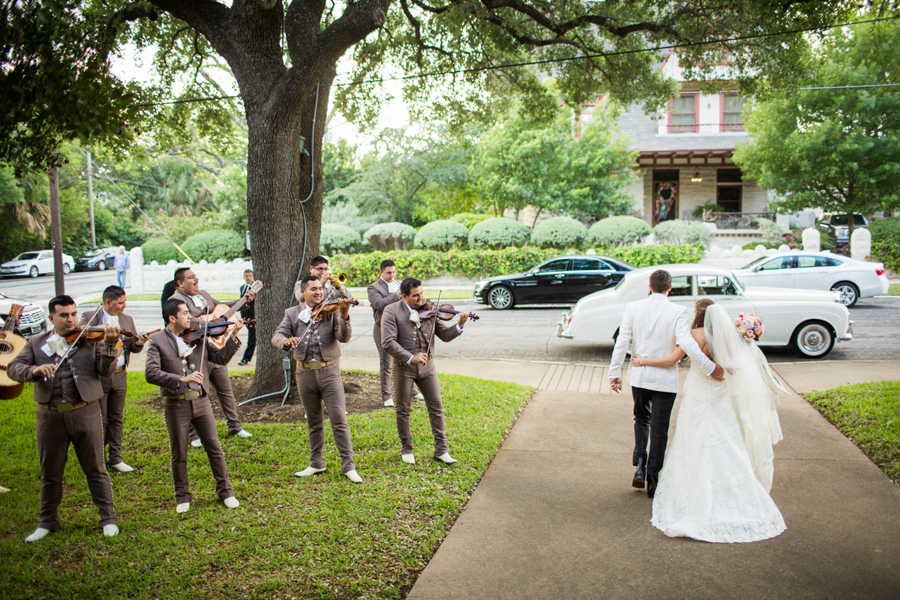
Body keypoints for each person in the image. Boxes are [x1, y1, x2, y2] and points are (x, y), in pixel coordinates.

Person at [636, 300, 786, 543]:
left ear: (698, 313)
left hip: (696, 390)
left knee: (692, 437)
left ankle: (693, 490)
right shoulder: (724, 337)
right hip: (718, 392)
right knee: (724, 438)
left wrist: (642, 361)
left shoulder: (692, 335)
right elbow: (732, 369)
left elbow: (672, 359)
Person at [7, 295, 121, 542]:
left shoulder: (90, 340)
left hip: (85, 411)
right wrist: (34, 370)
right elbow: (13, 368)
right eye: (64, 315)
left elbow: (106, 371)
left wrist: (110, 345)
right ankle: (47, 521)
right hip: (50, 416)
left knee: (96, 468)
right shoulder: (36, 342)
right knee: (50, 471)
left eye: (73, 314)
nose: (71, 320)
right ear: (51, 318)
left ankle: (108, 518)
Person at [608, 269, 724, 498]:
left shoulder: (633, 308)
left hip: (640, 377)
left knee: (641, 419)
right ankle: (653, 478)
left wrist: (614, 372)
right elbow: (687, 343)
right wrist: (710, 368)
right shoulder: (678, 311)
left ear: (650, 286)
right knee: (659, 429)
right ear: (670, 288)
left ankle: (640, 466)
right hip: (664, 381)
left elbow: (622, 341)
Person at [145, 299, 243, 514]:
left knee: (215, 448)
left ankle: (226, 491)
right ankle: (182, 495)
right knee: (179, 451)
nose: (191, 317)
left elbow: (220, 358)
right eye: (185, 314)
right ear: (172, 318)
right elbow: (151, 373)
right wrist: (180, 379)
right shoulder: (157, 341)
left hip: (201, 401)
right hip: (176, 405)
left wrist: (233, 335)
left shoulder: (199, 337)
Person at [271, 275, 362, 483]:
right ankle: (316, 462)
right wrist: (286, 342)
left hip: (329, 372)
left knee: (339, 418)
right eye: (313, 289)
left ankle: (348, 465)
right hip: (304, 373)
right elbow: (277, 336)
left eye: (320, 288)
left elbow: (344, 337)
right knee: (313, 421)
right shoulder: (292, 313)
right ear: (303, 292)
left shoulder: (332, 311)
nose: (319, 292)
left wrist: (344, 314)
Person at [381, 277, 467, 465]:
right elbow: (388, 342)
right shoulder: (391, 311)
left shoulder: (430, 309)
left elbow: (444, 335)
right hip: (404, 368)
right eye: (415, 296)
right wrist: (411, 357)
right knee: (403, 409)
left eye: (421, 293)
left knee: (436, 406)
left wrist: (459, 325)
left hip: (428, 367)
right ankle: (407, 448)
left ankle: (441, 450)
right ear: (404, 296)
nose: (421, 298)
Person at [170, 267, 253, 443]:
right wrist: (213, 323)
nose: (196, 280)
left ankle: (234, 426)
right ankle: (193, 434)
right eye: (191, 277)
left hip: (215, 347)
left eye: (196, 276)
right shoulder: (175, 300)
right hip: (194, 353)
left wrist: (243, 301)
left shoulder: (203, 294)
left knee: (225, 389)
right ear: (180, 283)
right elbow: (188, 322)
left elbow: (222, 306)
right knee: (195, 391)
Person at [80, 285, 149, 473]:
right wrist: (103, 331)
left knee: (116, 417)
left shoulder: (127, 319)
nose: (124, 306)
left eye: (125, 302)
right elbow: (82, 334)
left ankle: (115, 457)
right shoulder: (90, 316)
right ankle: (99, 459)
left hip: (120, 374)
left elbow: (132, 348)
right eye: (120, 303)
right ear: (108, 302)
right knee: (101, 420)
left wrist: (139, 343)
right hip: (99, 375)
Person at [366, 260, 425, 407]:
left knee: (406, 357)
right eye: (388, 273)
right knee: (386, 363)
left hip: (401, 327)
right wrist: (397, 294)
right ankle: (387, 396)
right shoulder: (373, 288)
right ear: (381, 272)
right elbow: (379, 305)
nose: (392, 275)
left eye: (394, 272)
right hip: (382, 328)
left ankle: (412, 391)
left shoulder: (398, 284)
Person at [237, 269, 256, 366]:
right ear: (243, 277)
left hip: (254, 319)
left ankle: (246, 358)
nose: (248, 278)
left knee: (252, 339)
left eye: (250, 276)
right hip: (246, 318)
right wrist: (243, 318)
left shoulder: (255, 288)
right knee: (252, 338)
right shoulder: (242, 288)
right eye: (246, 276)